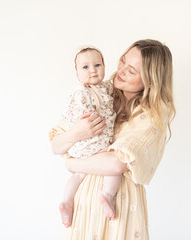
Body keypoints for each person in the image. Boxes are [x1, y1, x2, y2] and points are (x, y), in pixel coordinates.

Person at [49, 39, 175, 239]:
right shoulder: (98, 92)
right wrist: (76, 133)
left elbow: (117, 164)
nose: (122, 71)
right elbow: (56, 145)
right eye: (123, 61)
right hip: (82, 205)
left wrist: (72, 164)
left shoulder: (151, 116)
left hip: (120, 208)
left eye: (131, 71)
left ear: (150, 81)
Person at [49, 46, 121, 228]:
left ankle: (66, 201)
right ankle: (107, 196)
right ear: (77, 73)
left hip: (81, 149)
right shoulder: (80, 92)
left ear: (105, 67)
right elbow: (75, 114)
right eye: (86, 67)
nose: (93, 70)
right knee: (114, 170)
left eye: (98, 65)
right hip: (92, 142)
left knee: (78, 175)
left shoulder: (106, 87)